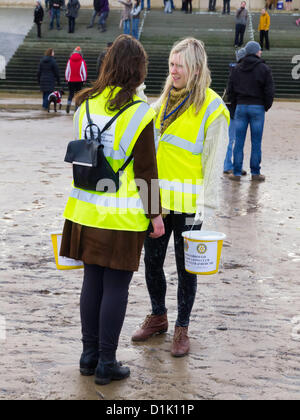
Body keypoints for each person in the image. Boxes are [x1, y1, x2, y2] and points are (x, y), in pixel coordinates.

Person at [60, 34, 164, 385]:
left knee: (92, 281)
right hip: (121, 215)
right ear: (137, 70)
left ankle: (88, 357)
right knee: (116, 286)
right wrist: (156, 216)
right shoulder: (139, 113)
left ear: (107, 65)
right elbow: (146, 172)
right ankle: (107, 361)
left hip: (84, 210)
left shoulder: (83, 103)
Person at [131, 38, 230, 357]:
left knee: (187, 268)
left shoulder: (213, 107)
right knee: (152, 263)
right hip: (157, 203)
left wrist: (209, 211)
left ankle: (182, 328)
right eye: (171, 64)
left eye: (179, 66)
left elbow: (214, 165)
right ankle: (158, 316)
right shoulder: (160, 103)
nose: (172, 70)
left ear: (196, 69)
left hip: (191, 207)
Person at [227, 41, 274, 182]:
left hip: (241, 106)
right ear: (255, 52)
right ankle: (255, 173)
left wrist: (235, 107)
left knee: (238, 141)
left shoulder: (237, 69)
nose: (261, 52)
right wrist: (265, 106)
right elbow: (269, 91)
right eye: (259, 50)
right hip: (257, 108)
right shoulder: (264, 69)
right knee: (256, 142)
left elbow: (231, 91)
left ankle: (236, 172)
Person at [223, 48, 247, 175]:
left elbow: (229, 92)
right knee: (234, 139)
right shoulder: (239, 71)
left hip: (234, 109)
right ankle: (230, 166)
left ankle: (230, 165)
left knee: (232, 139)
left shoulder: (234, 71)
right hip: (238, 109)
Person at [65, 46, 87, 113]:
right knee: (78, 94)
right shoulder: (82, 61)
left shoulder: (69, 61)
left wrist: (67, 79)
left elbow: (67, 71)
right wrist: (84, 79)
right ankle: (77, 107)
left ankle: (68, 104)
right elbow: (84, 71)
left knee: (71, 94)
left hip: (71, 80)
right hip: (79, 80)